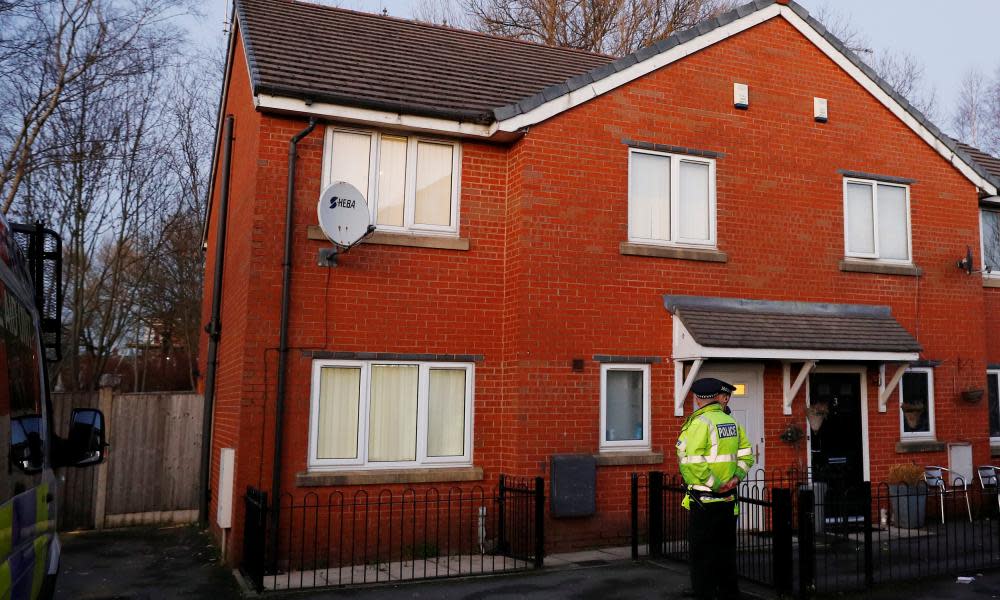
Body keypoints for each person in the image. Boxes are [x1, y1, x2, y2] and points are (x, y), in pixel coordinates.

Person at [676, 377, 754, 600]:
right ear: (720, 398)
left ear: (700, 399)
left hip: (704, 502)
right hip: (729, 502)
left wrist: (715, 484)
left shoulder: (700, 423)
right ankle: (728, 592)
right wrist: (736, 478)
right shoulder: (732, 423)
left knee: (701, 553)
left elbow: (689, 460)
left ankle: (704, 592)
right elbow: (746, 454)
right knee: (726, 551)